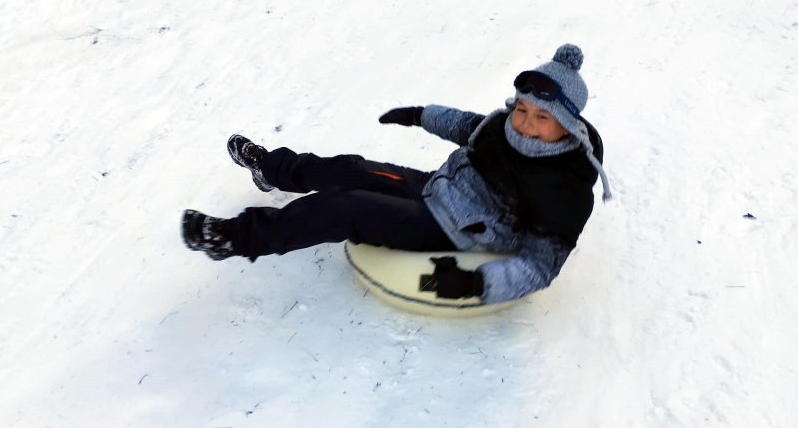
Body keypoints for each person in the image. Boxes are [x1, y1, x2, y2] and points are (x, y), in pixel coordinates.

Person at [181, 44, 611, 306]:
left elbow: (539, 266)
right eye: (522, 109)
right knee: (348, 169)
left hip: (457, 231)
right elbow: (467, 126)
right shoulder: (503, 126)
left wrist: (473, 283)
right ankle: (270, 169)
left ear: (567, 126)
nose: (525, 123)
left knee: (344, 209)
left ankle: (233, 238)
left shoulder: (567, 188)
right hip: (436, 188)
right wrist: (420, 115)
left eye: (541, 117)